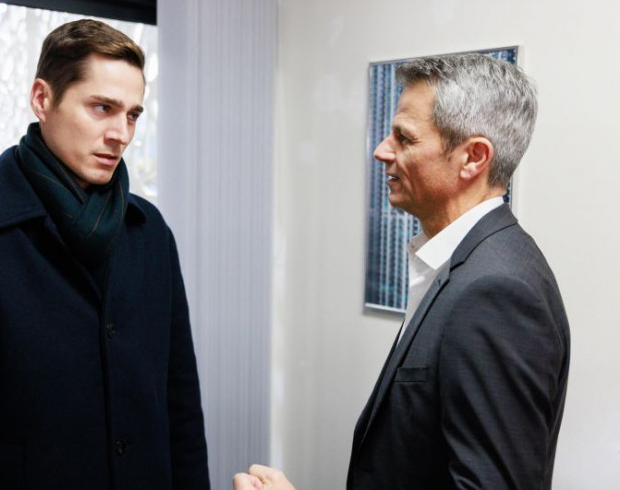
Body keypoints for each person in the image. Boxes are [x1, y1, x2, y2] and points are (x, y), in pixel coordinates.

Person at [234, 53, 570, 489]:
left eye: (404, 138)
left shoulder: (496, 291)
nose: (381, 151)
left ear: (473, 157)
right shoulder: (468, 263)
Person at [0, 19, 209, 489]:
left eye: (132, 115)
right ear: (42, 99)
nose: (121, 133)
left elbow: (180, 409)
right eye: (102, 108)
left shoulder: (149, 233)